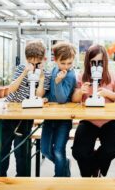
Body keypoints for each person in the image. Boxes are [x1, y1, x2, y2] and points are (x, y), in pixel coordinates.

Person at [0, 41, 50, 177]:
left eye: (37, 63)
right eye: (31, 62)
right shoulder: (21, 69)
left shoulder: (46, 75)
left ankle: (22, 178)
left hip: (25, 117)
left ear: (44, 60)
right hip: (9, 113)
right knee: (3, 149)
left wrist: (41, 77)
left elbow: (39, 95)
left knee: (21, 151)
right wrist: (25, 71)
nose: (34, 66)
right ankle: (0, 177)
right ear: (26, 60)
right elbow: (11, 89)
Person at [71, 44, 115, 177]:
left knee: (112, 148)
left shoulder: (112, 76)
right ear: (88, 62)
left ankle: (95, 167)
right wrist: (80, 92)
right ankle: (88, 177)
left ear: (105, 62)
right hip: (88, 121)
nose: (96, 65)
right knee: (79, 151)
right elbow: (74, 99)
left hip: (109, 121)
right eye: (93, 62)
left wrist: (108, 94)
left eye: (100, 62)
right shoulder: (81, 76)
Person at [41, 42, 77, 177]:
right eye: (63, 63)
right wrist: (45, 97)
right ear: (55, 60)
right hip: (50, 116)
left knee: (58, 151)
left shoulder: (70, 75)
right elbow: (51, 93)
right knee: (45, 150)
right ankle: (64, 164)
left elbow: (62, 99)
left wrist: (58, 82)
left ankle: (60, 179)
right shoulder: (54, 71)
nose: (66, 67)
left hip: (64, 118)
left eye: (70, 63)